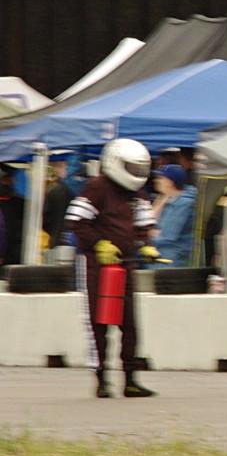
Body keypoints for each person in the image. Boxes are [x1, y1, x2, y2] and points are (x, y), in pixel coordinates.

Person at [65, 138, 160, 399]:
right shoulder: (95, 188)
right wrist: (99, 244)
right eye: (132, 167)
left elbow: (143, 225)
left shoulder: (137, 194)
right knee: (98, 321)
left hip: (126, 265)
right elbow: (75, 221)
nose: (138, 174)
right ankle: (101, 379)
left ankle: (130, 379)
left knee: (129, 324)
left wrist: (145, 245)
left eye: (141, 169)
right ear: (115, 163)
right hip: (97, 265)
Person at [149, 164, 197, 268]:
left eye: (161, 178)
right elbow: (150, 221)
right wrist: (162, 199)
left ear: (170, 182)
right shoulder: (168, 198)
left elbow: (167, 236)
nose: (156, 180)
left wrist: (148, 234)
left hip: (172, 259)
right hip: (161, 253)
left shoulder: (183, 203)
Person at [43, 159, 73, 249]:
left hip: (57, 238)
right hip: (74, 240)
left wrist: (53, 232)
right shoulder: (80, 190)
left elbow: (45, 218)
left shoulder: (53, 190)